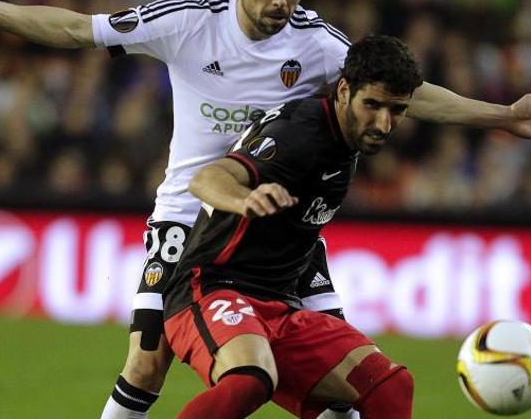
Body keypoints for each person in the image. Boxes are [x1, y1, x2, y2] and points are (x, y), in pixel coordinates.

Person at [0, 0, 531, 418]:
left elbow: (401, 89)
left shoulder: (318, 44)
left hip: (281, 234)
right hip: (191, 215)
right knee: (146, 363)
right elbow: (76, 30)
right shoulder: (188, 24)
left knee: (349, 397)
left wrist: (499, 114)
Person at [163, 34, 421, 419]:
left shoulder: (345, 140)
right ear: (345, 90)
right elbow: (207, 178)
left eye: (397, 110)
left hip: (281, 309)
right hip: (211, 288)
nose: (384, 124)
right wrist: (243, 199)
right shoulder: (299, 132)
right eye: (373, 105)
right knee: (250, 377)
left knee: (390, 386)